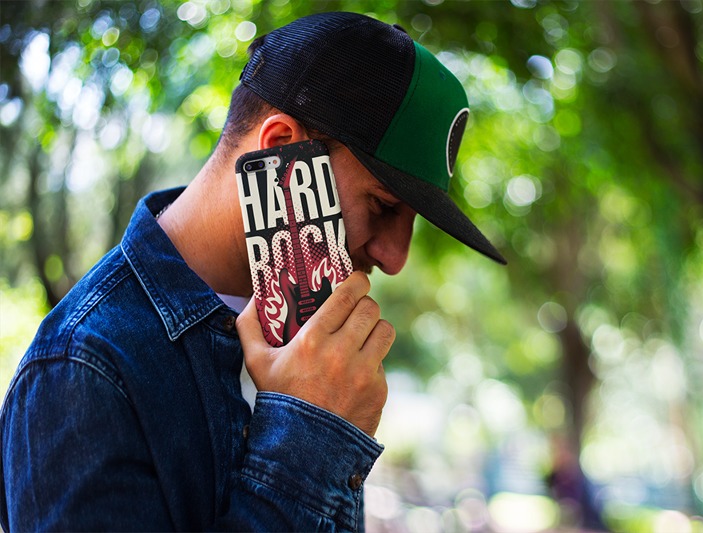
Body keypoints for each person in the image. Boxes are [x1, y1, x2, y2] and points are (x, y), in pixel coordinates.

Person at [0, 11, 505, 531]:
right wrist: (310, 433)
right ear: (282, 148)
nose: (395, 258)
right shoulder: (82, 368)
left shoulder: (307, 336)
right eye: (382, 205)